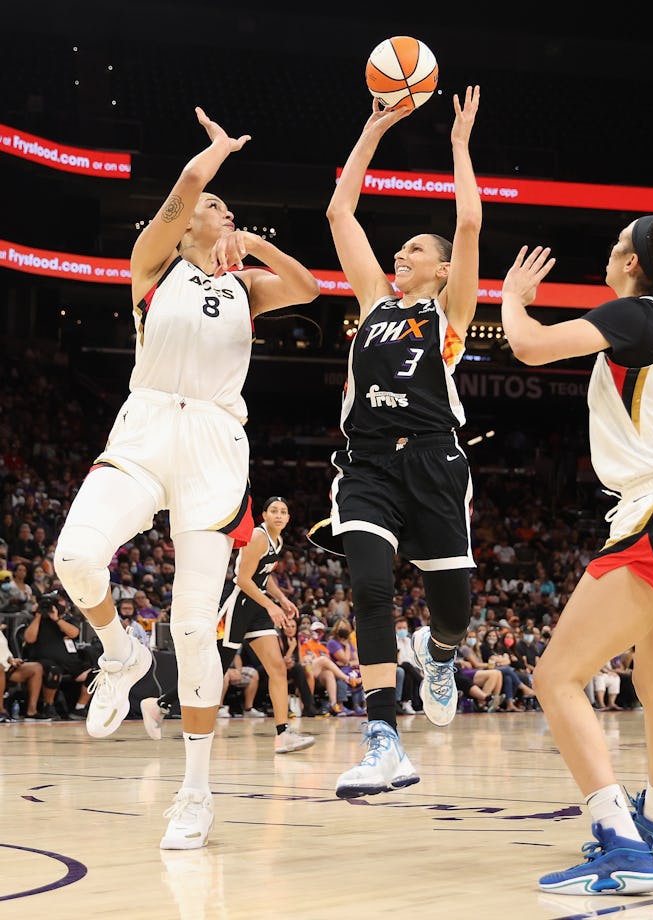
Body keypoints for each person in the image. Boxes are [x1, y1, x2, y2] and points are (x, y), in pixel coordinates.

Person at [52, 107, 319, 850]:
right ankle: (118, 655)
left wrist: (257, 242)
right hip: (144, 429)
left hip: (214, 440)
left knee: (195, 626)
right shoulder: (154, 262)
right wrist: (214, 155)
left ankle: (195, 794)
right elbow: (184, 190)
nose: (219, 209)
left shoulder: (245, 287)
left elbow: (308, 291)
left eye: (226, 207)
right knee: (74, 557)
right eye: (213, 207)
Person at [500, 214, 653, 895]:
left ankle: (621, 843)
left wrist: (514, 296)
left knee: (554, 677)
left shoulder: (633, 313)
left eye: (614, 246)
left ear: (632, 261)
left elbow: (531, 348)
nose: (607, 254)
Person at [309, 86, 482, 799]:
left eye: (415, 249)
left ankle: (438, 656)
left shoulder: (448, 314)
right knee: (371, 588)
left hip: (435, 459)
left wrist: (458, 147)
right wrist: (372, 127)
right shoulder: (374, 304)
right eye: (400, 248)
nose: (400, 254)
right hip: (368, 464)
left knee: (454, 609)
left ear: (440, 271)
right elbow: (338, 210)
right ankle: (383, 739)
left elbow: (468, 223)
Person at [141, 497, 315, 754]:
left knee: (277, 667)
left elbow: (263, 578)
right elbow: (243, 580)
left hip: (257, 606)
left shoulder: (277, 541)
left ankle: (283, 734)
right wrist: (270, 605)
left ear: (288, 517)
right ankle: (159, 704)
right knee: (215, 668)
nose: (279, 515)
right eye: (274, 511)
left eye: (284, 511)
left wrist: (282, 599)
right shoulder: (258, 536)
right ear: (264, 515)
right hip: (238, 604)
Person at [0, 623, 46, 721]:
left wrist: (12, 660)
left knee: (36, 668)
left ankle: (31, 711)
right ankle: (1, 711)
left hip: (7, 666)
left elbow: (4, 651)